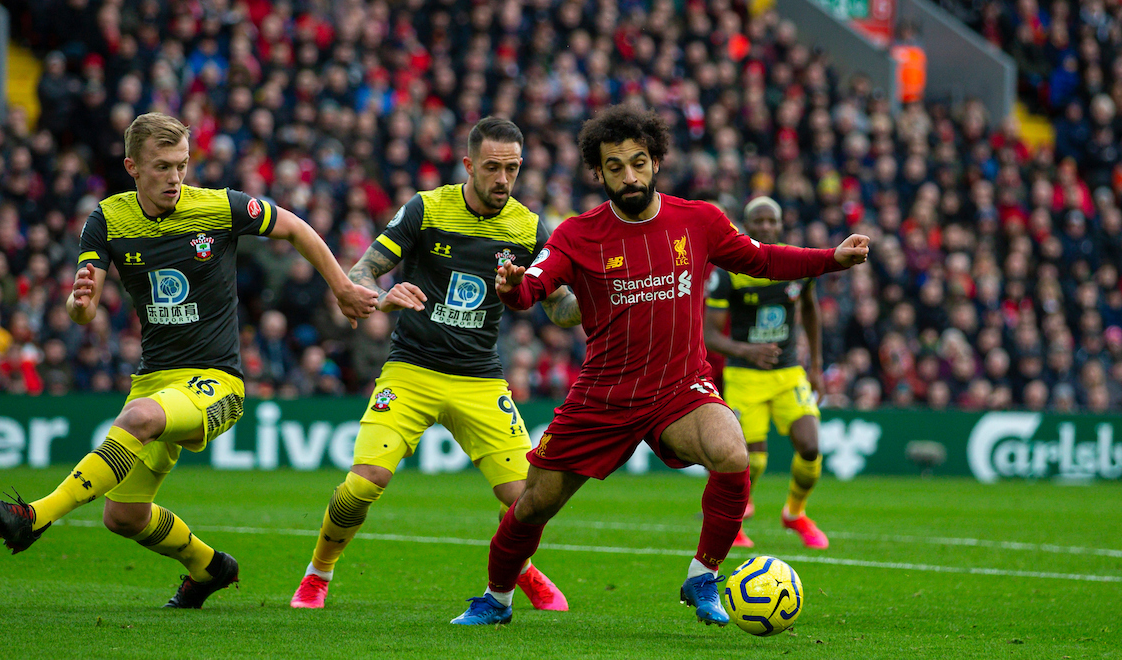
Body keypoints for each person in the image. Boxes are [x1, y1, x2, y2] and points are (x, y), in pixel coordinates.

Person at [451, 106, 868, 626]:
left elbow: (762, 260)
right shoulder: (578, 235)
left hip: (679, 390)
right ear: (598, 173)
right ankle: (496, 600)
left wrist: (832, 258)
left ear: (656, 163)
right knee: (533, 505)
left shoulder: (700, 221)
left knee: (731, 452)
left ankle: (703, 578)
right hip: (602, 397)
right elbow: (535, 284)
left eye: (639, 162)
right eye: (616, 166)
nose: (629, 176)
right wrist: (514, 288)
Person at [0, 112, 377, 608]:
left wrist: (341, 287)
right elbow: (83, 307)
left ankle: (33, 517)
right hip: (154, 381)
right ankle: (209, 567)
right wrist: (77, 306)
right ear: (132, 167)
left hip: (218, 383)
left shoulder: (219, 208)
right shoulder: (107, 220)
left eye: (182, 165)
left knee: (138, 417)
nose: (175, 177)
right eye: (163, 166)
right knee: (123, 517)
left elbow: (295, 228)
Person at [290, 117, 578, 611]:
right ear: (469, 165)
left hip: (481, 377)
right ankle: (318, 572)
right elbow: (362, 271)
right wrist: (383, 295)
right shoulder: (426, 209)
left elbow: (562, 308)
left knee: (525, 502)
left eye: (512, 168)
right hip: (413, 369)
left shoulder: (530, 228)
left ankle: (520, 570)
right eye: (492, 168)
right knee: (364, 483)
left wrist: (605, 296)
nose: (503, 180)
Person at [704, 197, 828, 550]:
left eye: (770, 221)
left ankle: (795, 513)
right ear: (746, 226)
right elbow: (708, 334)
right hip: (744, 375)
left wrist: (816, 367)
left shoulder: (796, 264)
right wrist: (747, 351)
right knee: (752, 461)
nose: (764, 227)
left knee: (810, 446)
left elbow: (810, 311)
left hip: (788, 373)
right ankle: (738, 517)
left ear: (779, 224)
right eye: (757, 221)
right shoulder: (728, 273)